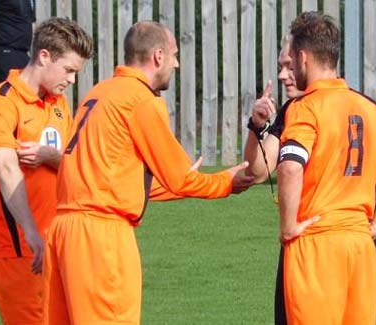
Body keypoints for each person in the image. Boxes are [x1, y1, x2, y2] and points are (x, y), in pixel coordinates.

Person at [42, 21, 254, 325]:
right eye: (174, 55)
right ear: (158, 56)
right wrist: (224, 183)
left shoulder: (99, 93)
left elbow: (120, 179)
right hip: (101, 236)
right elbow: (179, 176)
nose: (177, 63)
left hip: (63, 230)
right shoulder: (140, 99)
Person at [244, 35, 376, 324]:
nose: (284, 74)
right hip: (357, 247)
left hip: (311, 245)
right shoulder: (367, 108)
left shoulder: (304, 110)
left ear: (304, 58)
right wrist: (257, 126)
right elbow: (258, 170)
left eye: (288, 64)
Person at [0, 17, 93, 324]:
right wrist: (30, 232)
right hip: (16, 246)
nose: (72, 81)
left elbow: (73, 163)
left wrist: (51, 157)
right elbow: (5, 168)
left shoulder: (58, 104)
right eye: (69, 71)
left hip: (54, 243)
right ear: (44, 56)